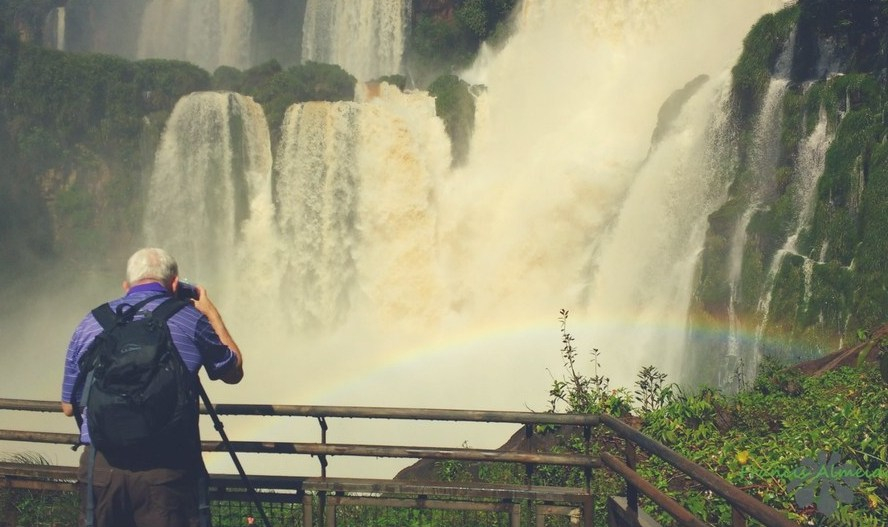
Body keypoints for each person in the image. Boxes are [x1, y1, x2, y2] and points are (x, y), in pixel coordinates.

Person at [60, 247, 244, 527]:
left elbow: (67, 406)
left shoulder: (91, 323)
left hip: (102, 468)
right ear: (175, 283)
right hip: (167, 471)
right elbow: (233, 372)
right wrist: (211, 313)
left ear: (126, 286)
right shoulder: (190, 319)